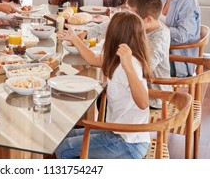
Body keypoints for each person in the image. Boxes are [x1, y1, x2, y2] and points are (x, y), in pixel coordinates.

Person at [55, 11, 152, 159]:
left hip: (128, 143)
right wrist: (74, 38)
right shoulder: (119, 58)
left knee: (63, 148)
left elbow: (144, 103)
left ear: (115, 35)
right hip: (116, 132)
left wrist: (128, 68)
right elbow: (93, 58)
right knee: (62, 135)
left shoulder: (130, 63)